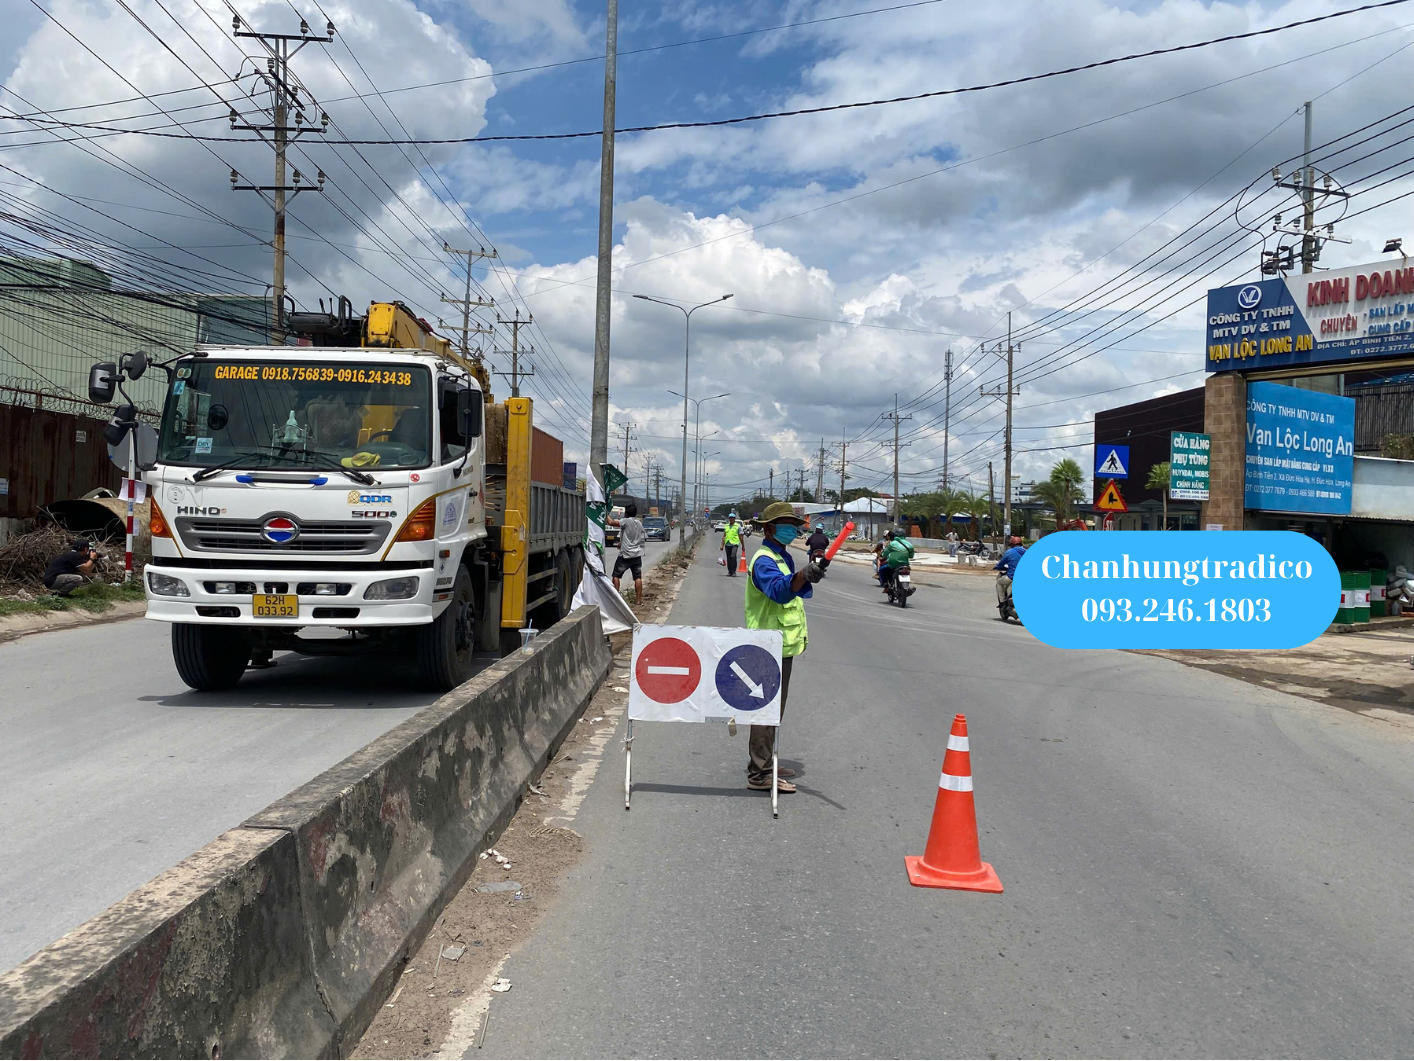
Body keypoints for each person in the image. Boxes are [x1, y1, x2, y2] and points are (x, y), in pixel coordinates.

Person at [744, 501, 828, 794]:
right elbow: (780, 592)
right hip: (767, 645)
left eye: (794, 525)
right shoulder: (764, 560)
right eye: (786, 525)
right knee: (766, 709)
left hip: (779, 643)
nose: (792, 530)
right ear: (769, 528)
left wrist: (804, 575)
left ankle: (765, 762)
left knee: (773, 709)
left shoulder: (782, 556)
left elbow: (794, 586)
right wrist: (803, 575)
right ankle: (759, 773)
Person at [613, 503, 646, 602]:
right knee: (637, 578)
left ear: (626, 513)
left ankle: (616, 600)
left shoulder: (625, 521)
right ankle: (638, 600)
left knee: (616, 576)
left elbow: (611, 522)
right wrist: (621, 542)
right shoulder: (639, 523)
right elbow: (634, 537)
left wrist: (603, 513)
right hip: (636, 555)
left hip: (625, 555)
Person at [994, 534, 1027, 608]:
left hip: (1012, 577)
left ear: (1012, 544)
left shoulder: (1009, 552)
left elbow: (1001, 564)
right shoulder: (1026, 551)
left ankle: (1002, 602)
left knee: (999, 582)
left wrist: (996, 567)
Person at [879, 526, 915, 593]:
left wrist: (882, 555)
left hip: (893, 565)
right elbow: (911, 556)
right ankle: (907, 588)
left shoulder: (892, 543)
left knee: (881, 570)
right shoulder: (909, 544)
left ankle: (886, 586)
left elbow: (885, 554)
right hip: (905, 565)